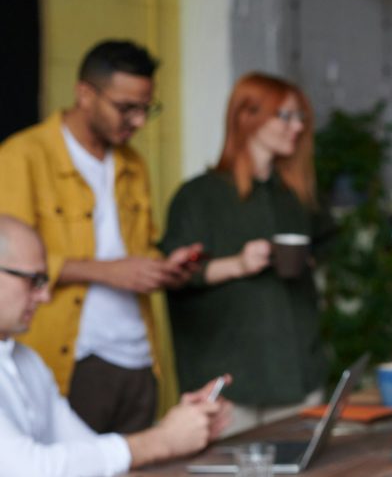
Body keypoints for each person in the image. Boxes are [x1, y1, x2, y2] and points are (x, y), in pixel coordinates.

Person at [0, 40, 203, 434]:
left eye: (147, 109)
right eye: (127, 108)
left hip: (139, 358)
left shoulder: (133, 164)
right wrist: (108, 272)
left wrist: (162, 269)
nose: (139, 121)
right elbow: (10, 263)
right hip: (72, 358)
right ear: (85, 95)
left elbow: (136, 249)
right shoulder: (22, 156)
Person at [159, 73, 329, 435]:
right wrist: (237, 264)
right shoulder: (198, 195)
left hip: (299, 372)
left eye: (300, 117)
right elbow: (173, 273)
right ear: (246, 117)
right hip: (232, 385)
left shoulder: (296, 196)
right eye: (285, 116)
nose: (297, 127)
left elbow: (327, 245)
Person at [0, 215, 231, 476]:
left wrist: (182, 430)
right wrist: (162, 441)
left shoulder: (28, 361)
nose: (45, 295)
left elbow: (86, 449)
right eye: (33, 280)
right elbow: (28, 470)